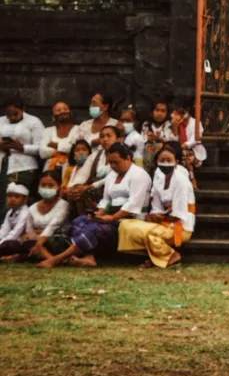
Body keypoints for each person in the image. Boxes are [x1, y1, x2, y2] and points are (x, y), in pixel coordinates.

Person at [40, 143, 151, 269]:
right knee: (80, 221)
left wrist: (112, 218)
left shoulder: (139, 175)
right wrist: (99, 213)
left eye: (116, 162)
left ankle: (57, 259)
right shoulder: (112, 175)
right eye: (110, 163)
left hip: (130, 219)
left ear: (128, 158)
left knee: (94, 228)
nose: (113, 166)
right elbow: (105, 199)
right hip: (111, 216)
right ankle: (89, 257)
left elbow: (133, 203)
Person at [118, 141, 195, 269]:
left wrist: (160, 217)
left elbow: (178, 214)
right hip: (163, 223)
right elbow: (156, 208)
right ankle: (154, 255)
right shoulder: (159, 181)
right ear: (157, 163)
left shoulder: (181, 181)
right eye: (162, 160)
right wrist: (153, 216)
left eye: (169, 160)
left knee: (150, 234)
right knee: (125, 225)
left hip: (180, 227)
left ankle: (171, 256)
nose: (165, 163)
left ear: (176, 161)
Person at [0, 170, 69, 263]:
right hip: (34, 240)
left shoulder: (64, 205)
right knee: (18, 243)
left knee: (49, 241)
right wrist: (34, 236)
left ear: (59, 187)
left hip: (54, 239)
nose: (46, 188)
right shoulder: (32, 208)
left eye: (51, 185)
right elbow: (29, 231)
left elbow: (52, 227)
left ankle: (52, 260)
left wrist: (39, 241)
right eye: (43, 185)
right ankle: (23, 256)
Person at [0, 96, 44, 219]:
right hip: (3, 163)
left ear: (23, 109)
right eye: (9, 115)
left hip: (23, 167)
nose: (12, 117)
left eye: (15, 114)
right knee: (2, 199)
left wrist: (22, 147)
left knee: (14, 200)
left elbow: (41, 148)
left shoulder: (34, 122)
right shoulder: (1, 121)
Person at [171, 99, 207, 187]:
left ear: (187, 112)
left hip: (195, 153)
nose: (178, 115)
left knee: (184, 154)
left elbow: (195, 139)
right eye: (177, 112)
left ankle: (192, 179)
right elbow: (173, 140)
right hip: (179, 151)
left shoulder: (196, 123)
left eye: (181, 112)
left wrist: (182, 146)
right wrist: (175, 127)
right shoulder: (175, 123)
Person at [39, 100, 79, 172]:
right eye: (58, 110)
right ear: (53, 117)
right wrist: (66, 149)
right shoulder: (48, 131)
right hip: (50, 169)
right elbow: (43, 153)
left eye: (66, 109)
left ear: (71, 113)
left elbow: (76, 149)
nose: (63, 111)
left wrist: (56, 145)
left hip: (71, 169)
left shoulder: (79, 129)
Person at [61, 139, 98, 216]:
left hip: (83, 194)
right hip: (68, 195)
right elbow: (63, 186)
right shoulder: (69, 169)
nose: (81, 152)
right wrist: (67, 191)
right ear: (73, 154)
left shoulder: (92, 168)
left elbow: (91, 183)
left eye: (84, 150)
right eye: (77, 150)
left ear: (89, 153)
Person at [141, 100, 175, 169]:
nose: (160, 113)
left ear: (167, 113)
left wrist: (158, 139)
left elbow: (172, 141)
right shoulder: (146, 124)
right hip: (148, 155)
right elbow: (143, 139)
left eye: (163, 111)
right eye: (157, 110)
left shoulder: (169, 125)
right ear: (152, 112)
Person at [0, 183, 31, 254]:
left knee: (8, 244)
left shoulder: (25, 212)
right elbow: (4, 230)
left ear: (25, 199)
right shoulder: (10, 212)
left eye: (17, 196)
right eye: (10, 196)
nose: (12, 199)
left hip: (22, 241)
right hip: (11, 239)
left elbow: (15, 234)